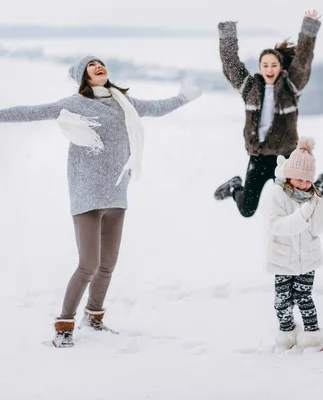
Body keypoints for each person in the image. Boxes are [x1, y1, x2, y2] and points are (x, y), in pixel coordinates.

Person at [0, 55, 202, 348]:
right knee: (88, 265)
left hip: (116, 193)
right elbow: (31, 111)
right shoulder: (75, 104)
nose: (98, 66)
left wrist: (184, 97)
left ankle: (94, 318)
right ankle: (64, 326)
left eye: (100, 63)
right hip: (86, 194)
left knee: (107, 264)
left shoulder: (124, 104)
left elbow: (159, 108)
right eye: (90, 65)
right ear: (84, 77)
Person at [214, 10, 323, 218]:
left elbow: (302, 62)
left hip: (285, 158)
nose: (269, 69)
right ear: (260, 67)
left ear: (281, 67)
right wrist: (227, 31)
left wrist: (309, 28)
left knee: (298, 206)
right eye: (265, 65)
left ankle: (321, 183)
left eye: (274, 65)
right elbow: (231, 66)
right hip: (258, 156)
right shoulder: (250, 88)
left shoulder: (290, 89)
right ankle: (235, 186)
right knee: (247, 209)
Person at [264, 137, 323, 352]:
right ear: (289, 175)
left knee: (304, 298)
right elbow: (276, 225)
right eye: (299, 180)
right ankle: (286, 337)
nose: (304, 184)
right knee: (282, 301)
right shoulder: (278, 195)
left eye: (308, 181)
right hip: (283, 259)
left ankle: (312, 338)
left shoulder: (312, 198)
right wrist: (301, 215)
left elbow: (315, 228)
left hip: (307, 259)